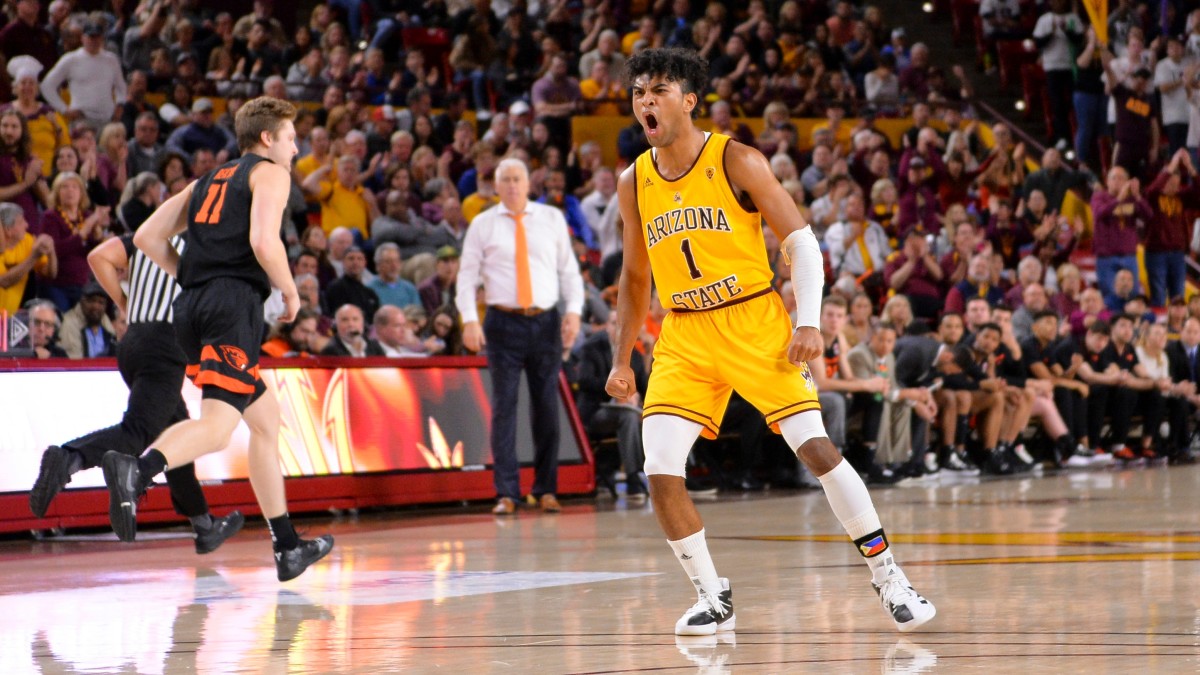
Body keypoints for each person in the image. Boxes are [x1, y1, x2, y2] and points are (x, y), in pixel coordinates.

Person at [605, 48, 934, 636]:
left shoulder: (737, 159)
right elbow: (634, 279)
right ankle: (712, 595)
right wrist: (622, 356)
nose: (645, 102)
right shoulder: (634, 181)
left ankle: (891, 578)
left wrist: (808, 320)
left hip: (753, 321)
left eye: (658, 91)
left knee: (816, 448)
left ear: (689, 99)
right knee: (660, 466)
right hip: (684, 332)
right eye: (638, 93)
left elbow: (801, 242)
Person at [105, 96, 333, 582]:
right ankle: (135, 472)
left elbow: (145, 237)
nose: (296, 149)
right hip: (231, 308)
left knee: (265, 421)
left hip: (189, 309)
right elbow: (264, 242)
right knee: (218, 426)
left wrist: (193, 277)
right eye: (291, 138)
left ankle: (287, 546)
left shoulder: (207, 180)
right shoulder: (270, 173)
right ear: (268, 138)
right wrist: (291, 291)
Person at [28, 232, 244, 555]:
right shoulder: (208, 245)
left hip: (133, 341)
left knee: (176, 433)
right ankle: (68, 459)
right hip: (166, 344)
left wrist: (125, 303)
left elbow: (97, 257)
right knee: (138, 432)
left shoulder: (146, 235)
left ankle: (203, 524)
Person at [456, 158, 584, 516]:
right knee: (504, 407)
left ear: (528, 184)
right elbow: (466, 277)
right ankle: (507, 493)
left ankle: (546, 489)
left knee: (547, 406)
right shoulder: (482, 224)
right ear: (496, 186)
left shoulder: (551, 218)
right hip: (502, 322)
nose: (512, 185)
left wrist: (574, 312)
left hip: (545, 321)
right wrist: (470, 320)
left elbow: (569, 272)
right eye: (506, 180)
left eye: (517, 179)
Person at [0, 201, 55, 315]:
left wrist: (51, 250)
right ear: (8, 230)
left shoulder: (27, 241)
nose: (27, 225)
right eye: (21, 222)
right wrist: (33, 257)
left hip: (8, 316)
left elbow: (50, 273)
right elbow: (4, 281)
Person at [321, 303, 385, 356]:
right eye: (345, 320)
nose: (351, 324)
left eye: (355, 319)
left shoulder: (375, 347)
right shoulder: (329, 351)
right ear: (336, 325)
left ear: (363, 323)